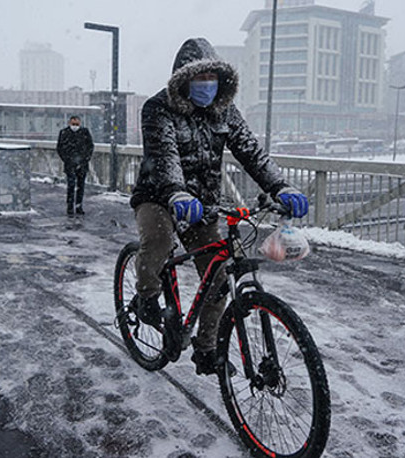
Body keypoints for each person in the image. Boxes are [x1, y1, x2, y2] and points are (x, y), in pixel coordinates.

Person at [129, 38, 309, 375]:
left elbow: (251, 152)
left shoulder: (224, 111)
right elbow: (164, 155)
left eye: (212, 77)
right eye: (200, 78)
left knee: (218, 277)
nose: (207, 85)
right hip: (159, 195)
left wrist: (280, 186)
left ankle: (207, 349)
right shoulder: (158, 108)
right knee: (158, 240)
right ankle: (146, 296)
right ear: (183, 79)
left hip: (204, 203)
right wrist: (177, 193)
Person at [56, 115, 94, 215]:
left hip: (82, 164)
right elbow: (59, 148)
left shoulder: (84, 132)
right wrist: (66, 159)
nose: (75, 126)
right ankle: (70, 206)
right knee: (71, 186)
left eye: (77, 124)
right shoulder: (64, 133)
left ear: (80, 123)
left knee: (80, 187)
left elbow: (90, 146)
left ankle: (78, 206)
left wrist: (85, 159)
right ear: (69, 123)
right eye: (73, 124)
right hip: (70, 164)